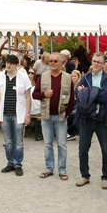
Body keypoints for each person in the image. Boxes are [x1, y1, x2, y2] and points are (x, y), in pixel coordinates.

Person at [75, 52, 107, 188]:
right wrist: (91, 92)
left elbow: (104, 96)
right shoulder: (85, 77)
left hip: (102, 119)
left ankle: (106, 177)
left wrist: (87, 92)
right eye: (94, 61)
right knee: (83, 149)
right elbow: (77, 93)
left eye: (99, 62)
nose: (96, 64)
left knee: (106, 149)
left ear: (104, 64)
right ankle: (84, 176)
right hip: (87, 118)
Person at [34, 51, 74, 180]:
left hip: (61, 117)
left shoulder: (68, 77)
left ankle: (62, 170)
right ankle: (49, 168)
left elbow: (72, 99)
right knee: (47, 144)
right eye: (50, 61)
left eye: (55, 61)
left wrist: (66, 113)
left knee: (62, 144)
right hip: (46, 116)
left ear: (62, 63)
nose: (52, 63)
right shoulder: (42, 76)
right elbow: (35, 94)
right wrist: (44, 95)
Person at [0, 54, 32, 177]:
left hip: (18, 114)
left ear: (16, 65)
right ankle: (10, 163)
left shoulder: (24, 77)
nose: (8, 65)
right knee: (8, 141)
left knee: (18, 141)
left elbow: (28, 96)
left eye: (11, 63)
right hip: (4, 114)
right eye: (6, 63)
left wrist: (28, 114)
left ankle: (18, 164)